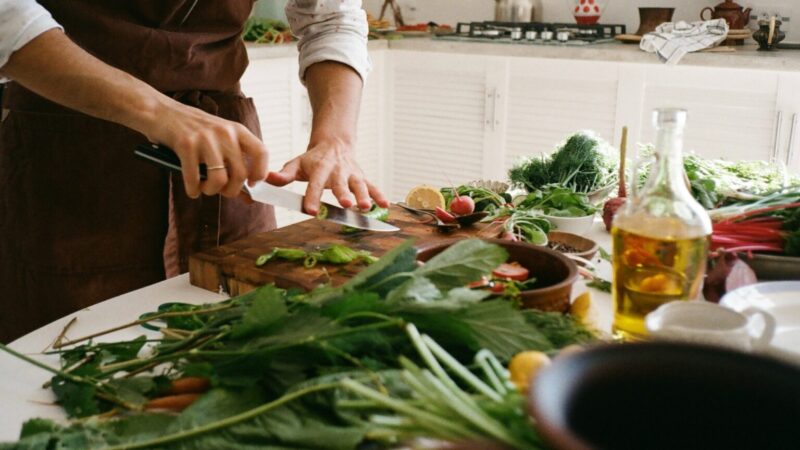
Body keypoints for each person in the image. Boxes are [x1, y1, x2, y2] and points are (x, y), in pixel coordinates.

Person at [0, 0, 389, 343]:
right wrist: (155, 111)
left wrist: (334, 139)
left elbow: (330, 18)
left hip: (229, 165)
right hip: (67, 159)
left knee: (246, 342)